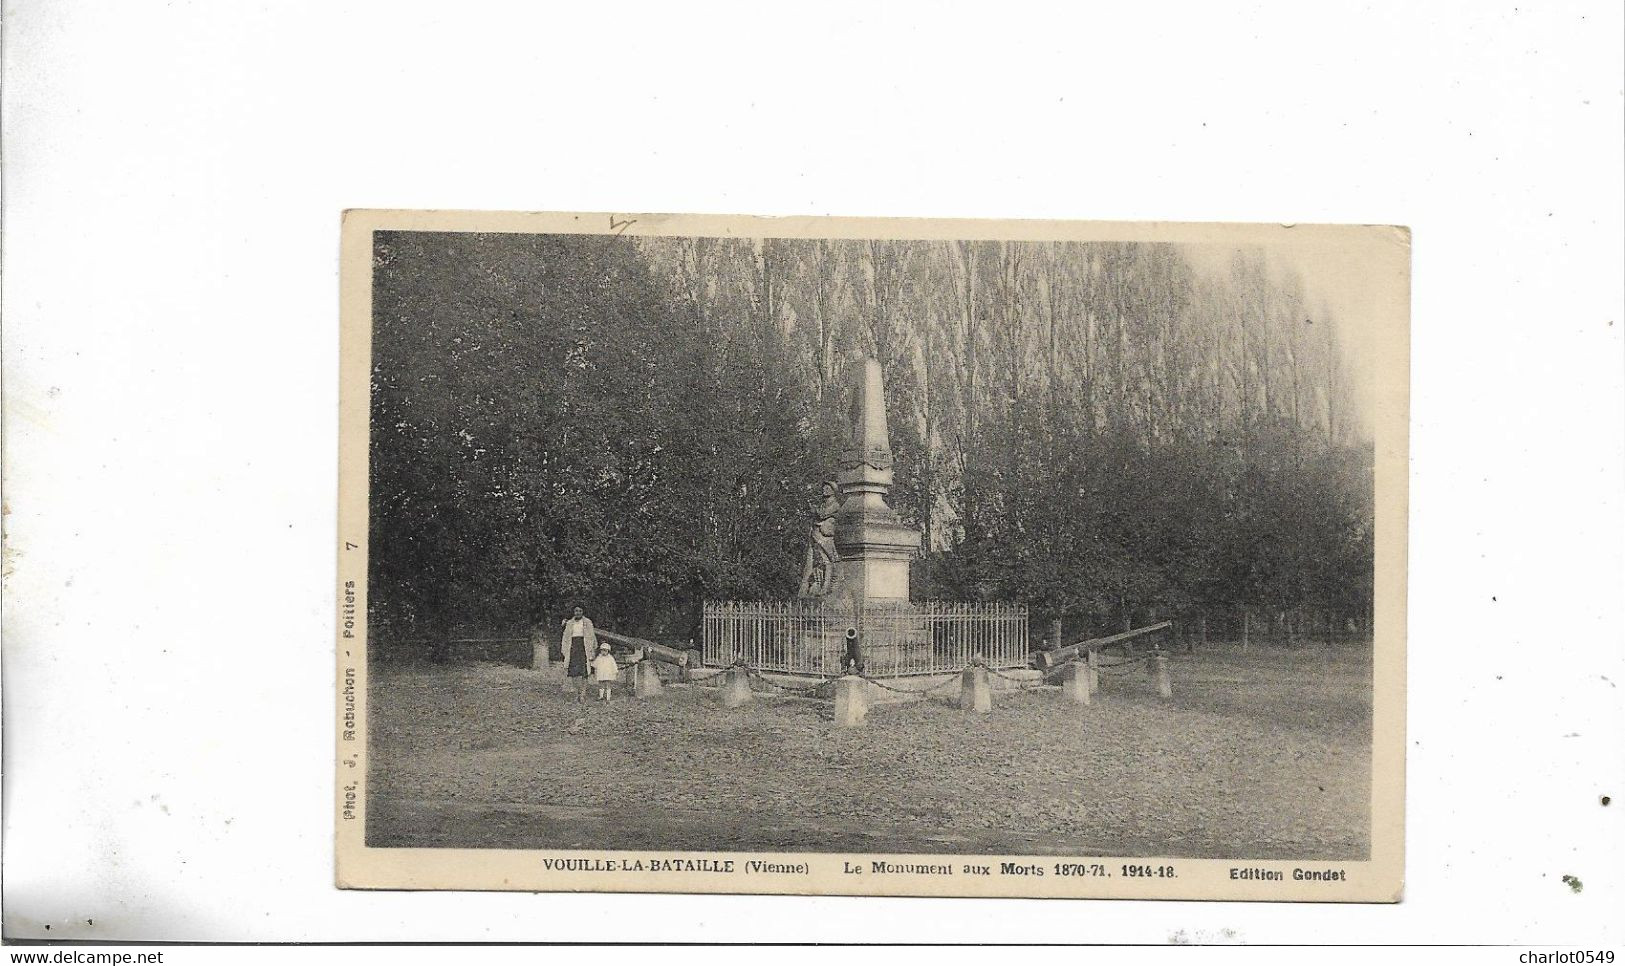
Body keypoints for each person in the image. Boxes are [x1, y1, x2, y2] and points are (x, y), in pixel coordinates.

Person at [560, 605, 597, 701]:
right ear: (573, 612)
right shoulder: (569, 623)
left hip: (584, 647)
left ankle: (583, 694)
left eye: (580, 611)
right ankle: (578, 692)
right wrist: (565, 650)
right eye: (576, 611)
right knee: (574, 673)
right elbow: (565, 638)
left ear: (583, 612)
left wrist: (592, 650)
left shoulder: (588, 622)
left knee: (584, 672)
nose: (578, 613)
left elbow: (592, 637)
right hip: (573, 648)